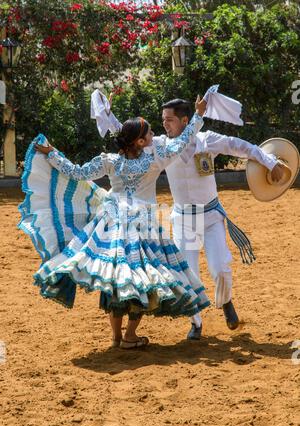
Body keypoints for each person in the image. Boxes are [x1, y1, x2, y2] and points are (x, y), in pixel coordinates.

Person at [18, 96, 210, 349]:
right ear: (140, 142)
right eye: (149, 132)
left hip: (110, 223)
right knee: (142, 278)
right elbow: (184, 139)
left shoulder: (110, 161)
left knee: (116, 278)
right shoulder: (155, 159)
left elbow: (75, 172)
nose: (154, 134)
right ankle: (130, 335)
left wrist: (52, 154)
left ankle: (117, 337)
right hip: (143, 225)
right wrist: (198, 115)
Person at [160, 99, 285, 340]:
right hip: (183, 220)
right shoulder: (161, 146)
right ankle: (196, 323)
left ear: (185, 121)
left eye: (169, 120)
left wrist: (270, 162)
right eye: (163, 120)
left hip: (210, 216)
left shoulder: (207, 140)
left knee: (221, 269)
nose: (164, 125)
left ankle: (226, 302)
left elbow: (241, 147)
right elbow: (133, 142)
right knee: (188, 275)